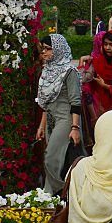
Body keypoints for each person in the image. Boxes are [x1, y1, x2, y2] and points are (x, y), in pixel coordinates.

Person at [35, 34, 82, 195]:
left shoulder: (70, 72)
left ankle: (64, 190)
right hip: (50, 120)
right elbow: (44, 102)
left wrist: (75, 127)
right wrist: (41, 126)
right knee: (54, 159)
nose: (44, 53)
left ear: (59, 49)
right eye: (43, 49)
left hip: (66, 119)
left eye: (48, 49)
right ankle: (48, 197)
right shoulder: (47, 71)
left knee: (51, 158)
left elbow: (76, 101)